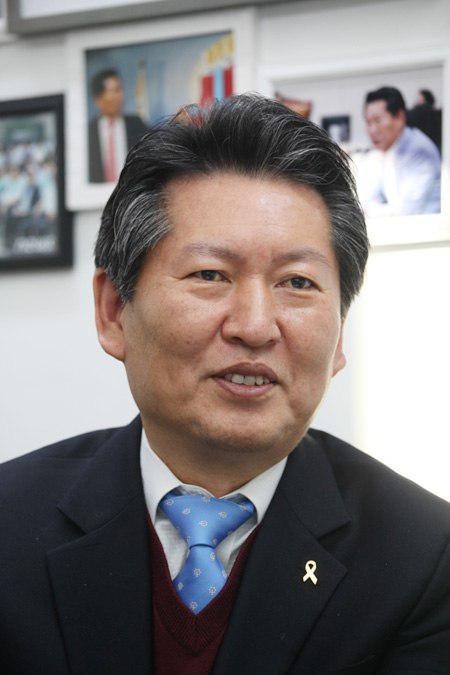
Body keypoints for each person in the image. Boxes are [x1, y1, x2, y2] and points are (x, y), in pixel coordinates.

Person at [1, 95, 449, 674]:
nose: (255, 327)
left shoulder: (422, 557)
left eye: (298, 282)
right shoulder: (10, 523)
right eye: (210, 274)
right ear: (114, 312)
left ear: (340, 334)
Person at [359, 86, 441, 215]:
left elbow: (405, 212)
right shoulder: (382, 152)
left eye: (378, 121)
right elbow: (363, 200)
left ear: (399, 116)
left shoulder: (420, 152)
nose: (372, 130)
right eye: (368, 123)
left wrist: (368, 210)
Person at [88, 68, 148, 183]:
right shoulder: (89, 131)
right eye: (114, 91)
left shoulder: (137, 124)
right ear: (98, 99)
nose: (119, 96)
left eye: (120, 90)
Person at [407, 88, 442, 153]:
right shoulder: (436, 113)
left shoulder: (419, 111)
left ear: (423, 99)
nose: (416, 100)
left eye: (418, 97)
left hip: (424, 146)